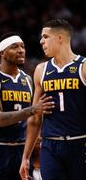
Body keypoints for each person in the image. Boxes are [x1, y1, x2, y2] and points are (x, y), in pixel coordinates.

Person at [0, 32, 54, 180]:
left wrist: (35, 148)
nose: (21, 50)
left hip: (22, 150)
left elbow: (32, 120)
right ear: (2, 53)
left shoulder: (27, 79)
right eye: (14, 47)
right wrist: (32, 110)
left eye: (23, 46)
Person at [19, 19, 86, 180]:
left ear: (60, 38)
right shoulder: (41, 70)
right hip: (50, 146)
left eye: (46, 37)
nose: (41, 41)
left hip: (80, 142)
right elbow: (35, 119)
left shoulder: (83, 66)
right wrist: (26, 156)